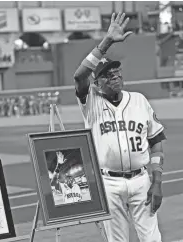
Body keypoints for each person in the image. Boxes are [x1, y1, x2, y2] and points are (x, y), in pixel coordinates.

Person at [74, 12, 166, 242]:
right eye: (107, 74)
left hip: (141, 181)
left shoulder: (139, 100)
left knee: (152, 239)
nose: (114, 76)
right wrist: (107, 42)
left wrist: (157, 183)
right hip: (109, 183)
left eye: (116, 71)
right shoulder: (91, 102)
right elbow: (79, 75)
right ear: (97, 83)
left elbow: (156, 145)